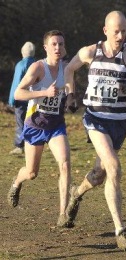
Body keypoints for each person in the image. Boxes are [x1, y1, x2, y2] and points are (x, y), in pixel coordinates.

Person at [63, 11, 126, 250]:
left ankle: (76, 194)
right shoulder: (90, 52)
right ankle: (120, 231)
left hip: (120, 123)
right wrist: (70, 94)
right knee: (113, 166)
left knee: (100, 173)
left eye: (124, 30)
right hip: (95, 119)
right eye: (116, 31)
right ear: (105, 31)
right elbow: (69, 69)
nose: (121, 35)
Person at [7, 30, 75, 226]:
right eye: (54, 44)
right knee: (32, 173)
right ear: (46, 47)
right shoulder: (38, 68)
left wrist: (71, 99)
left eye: (61, 44)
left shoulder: (67, 68)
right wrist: (45, 92)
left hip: (56, 125)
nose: (58, 48)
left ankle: (63, 214)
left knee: (65, 164)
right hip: (36, 123)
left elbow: (70, 89)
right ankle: (17, 182)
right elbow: (19, 93)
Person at [8, 42, 35, 155]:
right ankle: (33, 144)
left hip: (21, 99)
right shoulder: (37, 63)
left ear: (22, 52)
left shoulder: (20, 64)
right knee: (33, 122)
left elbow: (16, 83)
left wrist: (12, 99)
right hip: (34, 98)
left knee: (20, 122)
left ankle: (19, 146)